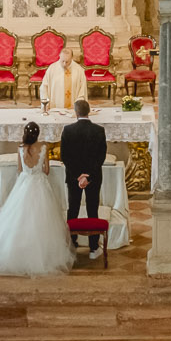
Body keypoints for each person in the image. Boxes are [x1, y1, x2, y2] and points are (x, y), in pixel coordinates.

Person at [0, 121, 74, 276]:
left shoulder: (20, 149)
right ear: (38, 134)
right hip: (40, 184)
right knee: (42, 220)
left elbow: (19, 169)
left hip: (24, 183)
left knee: (16, 218)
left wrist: (28, 173)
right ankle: (41, 255)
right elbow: (46, 170)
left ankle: (15, 251)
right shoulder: (44, 148)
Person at [59, 99, 107, 258]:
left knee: (72, 209)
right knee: (93, 210)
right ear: (89, 111)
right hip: (93, 178)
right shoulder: (99, 130)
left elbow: (65, 157)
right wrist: (89, 176)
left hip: (74, 178)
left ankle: (71, 245)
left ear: (76, 112)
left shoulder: (68, 130)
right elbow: (101, 157)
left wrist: (77, 176)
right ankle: (94, 248)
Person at [38, 40, 90, 111]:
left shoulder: (79, 70)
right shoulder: (52, 68)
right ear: (59, 56)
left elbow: (82, 91)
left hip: (73, 109)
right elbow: (44, 87)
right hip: (55, 108)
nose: (64, 64)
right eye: (62, 61)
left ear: (72, 58)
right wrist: (45, 104)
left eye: (67, 61)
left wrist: (79, 105)